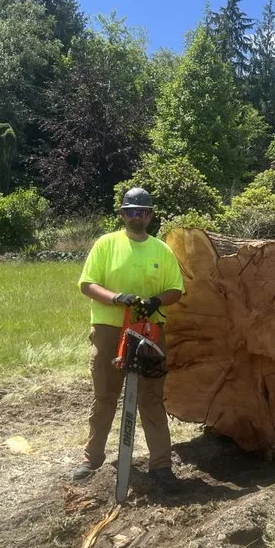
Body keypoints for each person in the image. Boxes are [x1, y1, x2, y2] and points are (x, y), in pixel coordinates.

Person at [72, 187, 185, 491]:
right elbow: (87, 284)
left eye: (143, 212)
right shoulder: (106, 245)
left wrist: (155, 301)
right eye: (131, 211)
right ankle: (92, 459)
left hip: (150, 330)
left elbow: (176, 289)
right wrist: (116, 298)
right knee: (106, 394)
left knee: (150, 397)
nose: (137, 216)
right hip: (110, 327)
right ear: (123, 214)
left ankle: (161, 465)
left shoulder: (161, 250)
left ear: (150, 216)